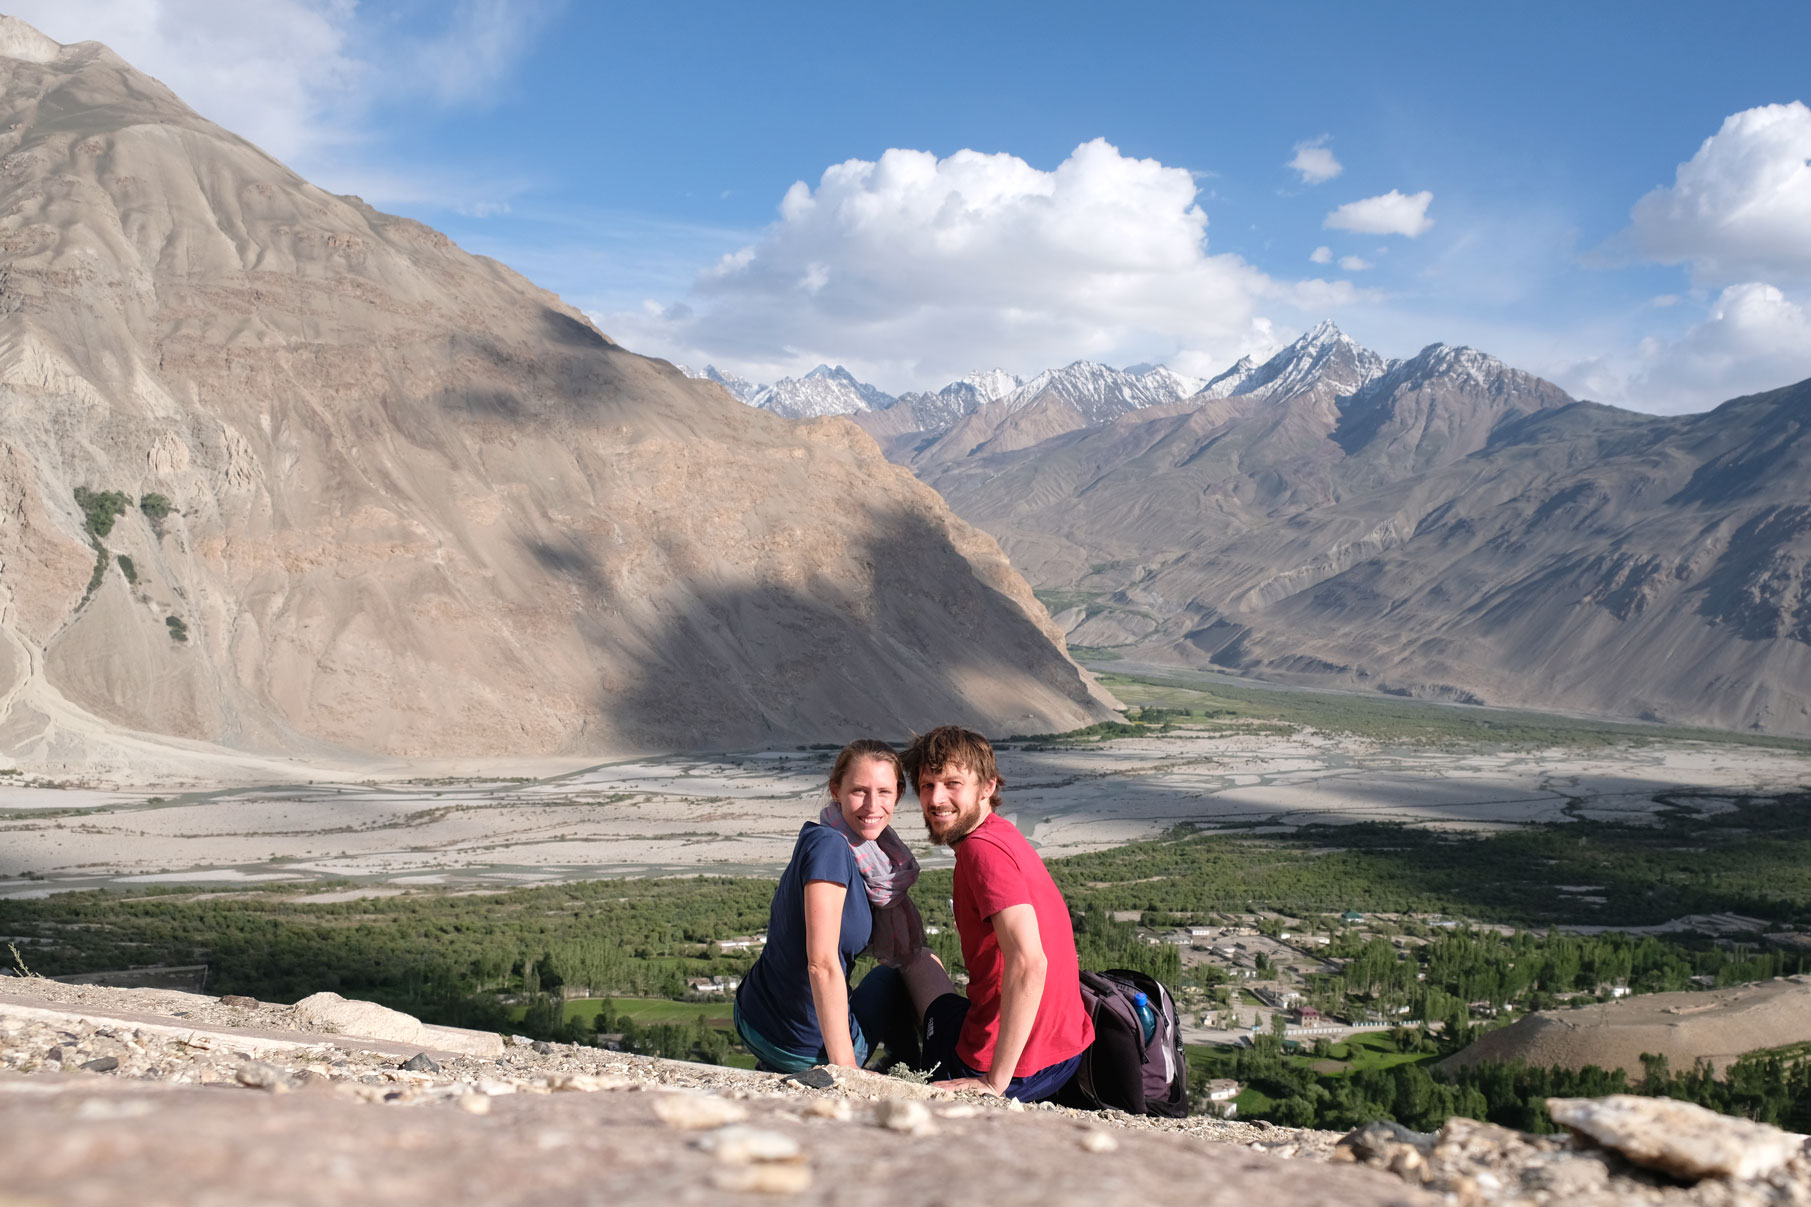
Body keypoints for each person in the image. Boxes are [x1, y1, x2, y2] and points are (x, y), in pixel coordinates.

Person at [897, 725, 1094, 1101]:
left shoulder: (980, 853)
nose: (936, 799)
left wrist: (993, 1083)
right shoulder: (1003, 835)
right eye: (927, 786)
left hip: (1013, 1067)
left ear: (987, 787)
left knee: (909, 965)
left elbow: (1030, 963)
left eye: (952, 783)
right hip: (1066, 1050)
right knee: (922, 963)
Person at [733, 739, 923, 1072]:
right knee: (899, 977)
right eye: (859, 791)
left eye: (884, 792)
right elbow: (821, 964)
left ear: (898, 793)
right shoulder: (831, 849)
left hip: (755, 1017)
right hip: (803, 1047)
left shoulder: (844, 848)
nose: (872, 805)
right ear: (835, 790)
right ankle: (908, 1070)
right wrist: (847, 1073)